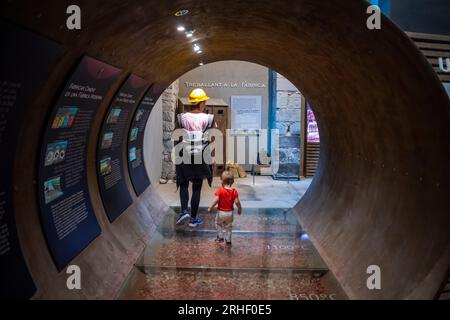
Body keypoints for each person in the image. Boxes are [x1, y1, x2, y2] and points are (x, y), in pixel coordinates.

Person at [175, 88, 217, 227]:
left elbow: (178, 136)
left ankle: (184, 211)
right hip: (201, 154)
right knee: (197, 187)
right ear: (201, 103)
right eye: (204, 101)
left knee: (183, 183)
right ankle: (193, 219)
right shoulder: (208, 118)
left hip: (184, 153)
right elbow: (211, 138)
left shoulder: (181, 117)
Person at [207, 171, 242, 245]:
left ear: (222, 181)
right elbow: (237, 202)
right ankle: (228, 240)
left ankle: (220, 237)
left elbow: (216, 200)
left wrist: (210, 207)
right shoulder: (234, 191)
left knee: (218, 223)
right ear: (232, 181)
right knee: (229, 226)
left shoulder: (220, 190)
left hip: (221, 212)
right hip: (230, 213)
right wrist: (239, 208)